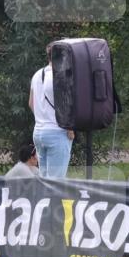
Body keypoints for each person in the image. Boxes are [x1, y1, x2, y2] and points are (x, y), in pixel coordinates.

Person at [29, 43, 74, 178]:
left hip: (39, 132)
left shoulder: (37, 74)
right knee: (56, 182)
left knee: (44, 178)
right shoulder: (61, 76)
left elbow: (31, 103)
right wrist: (70, 128)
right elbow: (66, 105)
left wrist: (43, 118)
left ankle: (42, 199)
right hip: (57, 132)